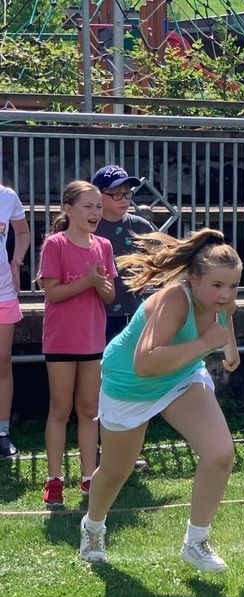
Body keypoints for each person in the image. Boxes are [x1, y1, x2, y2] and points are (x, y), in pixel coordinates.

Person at [78, 228, 241, 571]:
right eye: (217, 286)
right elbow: (146, 363)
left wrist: (229, 347)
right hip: (130, 384)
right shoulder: (174, 299)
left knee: (221, 453)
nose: (226, 294)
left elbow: (223, 320)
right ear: (193, 279)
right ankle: (92, 527)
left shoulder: (221, 298)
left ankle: (196, 542)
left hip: (180, 377)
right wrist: (205, 343)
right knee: (114, 471)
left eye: (233, 285)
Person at [37, 180, 116, 508]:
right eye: (88, 206)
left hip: (93, 341)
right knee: (60, 409)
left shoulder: (104, 246)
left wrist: (99, 285)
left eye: (98, 206)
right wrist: (86, 281)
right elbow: (52, 292)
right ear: (68, 210)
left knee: (89, 411)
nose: (95, 212)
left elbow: (110, 295)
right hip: (60, 341)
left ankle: (88, 476)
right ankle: (54, 479)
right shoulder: (54, 244)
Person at [91, 165, 156, 342]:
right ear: (98, 195)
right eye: (116, 194)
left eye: (128, 193)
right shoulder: (89, 225)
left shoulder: (141, 225)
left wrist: (149, 277)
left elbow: (159, 260)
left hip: (133, 309)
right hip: (94, 311)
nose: (124, 199)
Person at [0, 182, 29, 459]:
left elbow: (22, 232)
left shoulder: (8, 196)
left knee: (2, 361)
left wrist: (16, 261)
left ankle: (2, 432)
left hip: (3, 292)